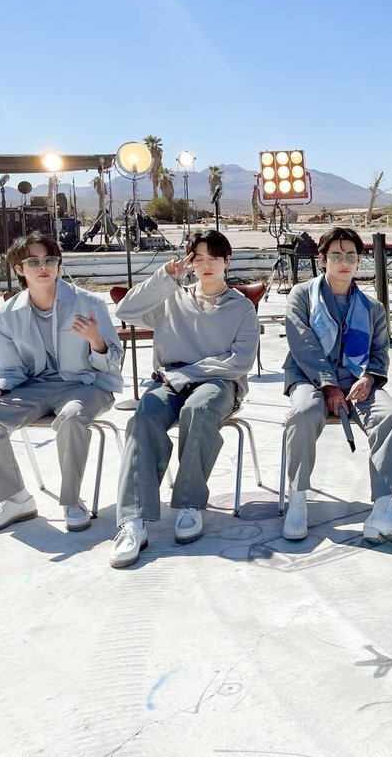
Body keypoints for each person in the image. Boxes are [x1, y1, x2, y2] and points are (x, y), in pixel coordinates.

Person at [109, 230, 259, 568]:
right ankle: (133, 519)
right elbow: (125, 309)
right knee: (144, 413)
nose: (206, 264)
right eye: (198, 258)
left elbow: (240, 361)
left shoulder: (241, 307)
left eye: (214, 257)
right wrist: (164, 277)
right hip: (170, 379)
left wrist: (188, 374)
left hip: (218, 381)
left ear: (227, 261)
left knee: (199, 408)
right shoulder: (171, 299)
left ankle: (190, 504)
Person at [0, 233, 124, 534]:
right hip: (34, 387)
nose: (43, 267)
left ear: (58, 264)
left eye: (50, 260)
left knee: (72, 417)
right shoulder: (6, 315)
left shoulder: (88, 303)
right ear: (19, 269)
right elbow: (8, 369)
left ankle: (71, 501)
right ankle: (14, 499)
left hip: (88, 385)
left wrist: (96, 341)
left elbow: (113, 361)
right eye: (33, 262)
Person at [281, 227, 392, 546]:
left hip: (357, 378)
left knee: (391, 416)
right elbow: (302, 344)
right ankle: (297, 500)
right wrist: (328, 385)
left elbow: (379, 352)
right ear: (322, 259)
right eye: (336, 256)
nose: (343, 262)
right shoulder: (302, 295)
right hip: (310, 376)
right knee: (303, 413)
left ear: (359, 260)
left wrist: (369, 378)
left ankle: (383, 511)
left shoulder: (373, 308)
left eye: (350, 256)